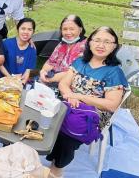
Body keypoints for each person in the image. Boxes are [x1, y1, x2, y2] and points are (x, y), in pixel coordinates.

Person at [46, 26, 129, 178]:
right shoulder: (80, 62)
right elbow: (63, 83)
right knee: (45, 113)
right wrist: (69, 95)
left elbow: (111, 104)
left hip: (93, 115)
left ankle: (56, 168)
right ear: (89, 43)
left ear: (114, 46)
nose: (101, 45)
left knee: (68, 128)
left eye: (107, 42)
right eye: (97, 40)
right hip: (70, 104)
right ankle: (48, 155)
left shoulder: (114, 72)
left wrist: (79, 97)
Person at [40, 15, 86, 85]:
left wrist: (49, 79)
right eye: (65, 29)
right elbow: (50, 62)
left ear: (80, 30)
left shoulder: (85, 47)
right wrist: (43, 71)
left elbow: (75, 73)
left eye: (72, 29)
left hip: (69, 84)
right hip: (52, 77)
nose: (68, 32)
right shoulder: (62, 44)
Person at [0, 18, 37, 84]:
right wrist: (10, 78)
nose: (26, 32)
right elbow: (0, 65)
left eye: (29, 29)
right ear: (18, 29)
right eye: (23, 28)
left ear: (33, 32)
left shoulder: (32, 50)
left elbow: (28, 72)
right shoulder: (7, 43)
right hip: (5, 79)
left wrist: (21, 84)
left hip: (20, 82)